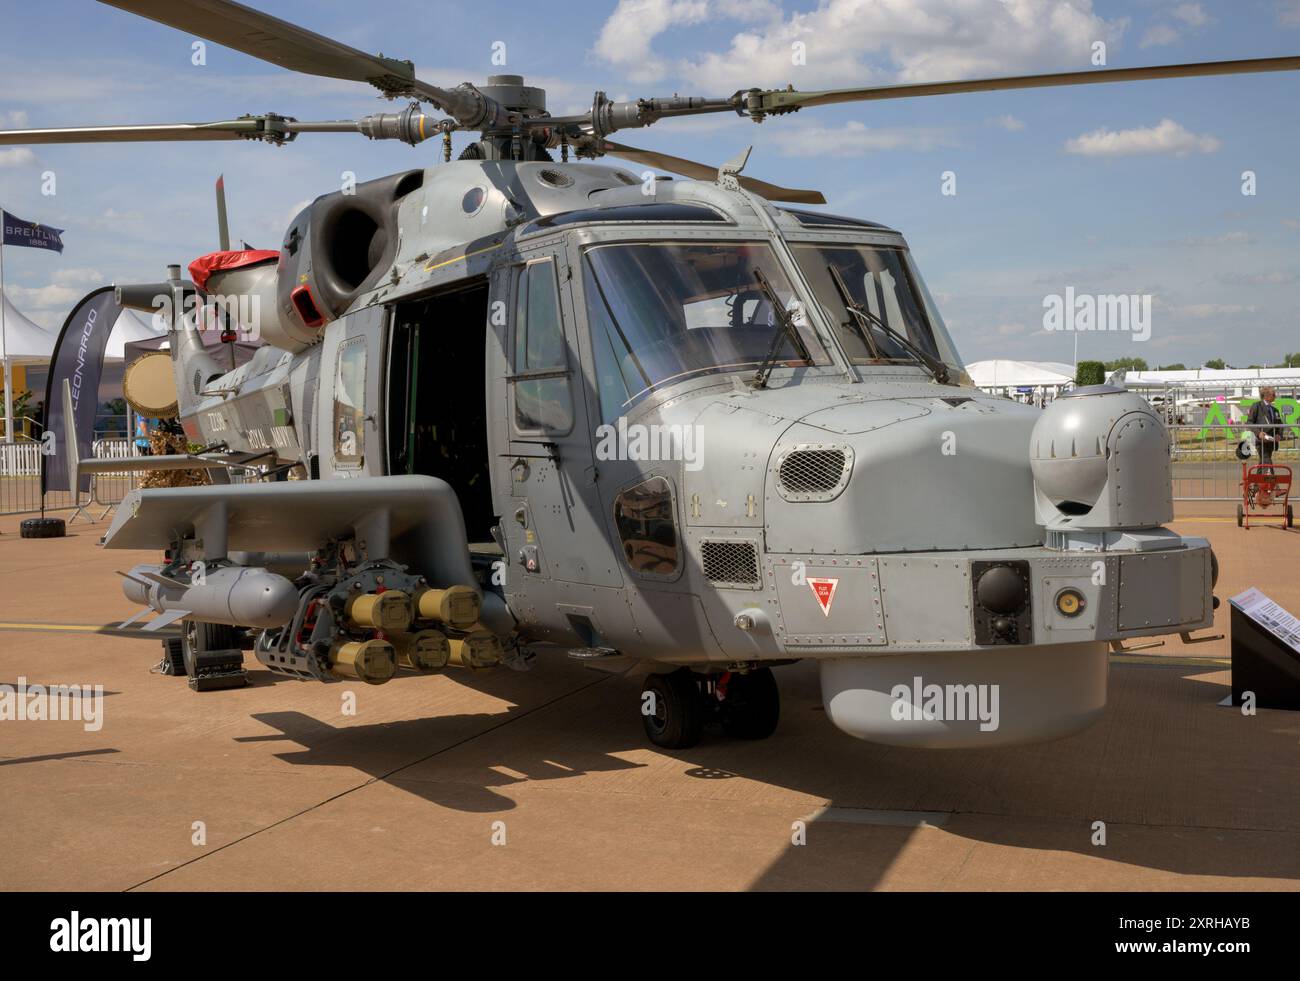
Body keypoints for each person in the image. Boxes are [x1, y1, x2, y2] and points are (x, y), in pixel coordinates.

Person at [1247, 387, 1284, 467]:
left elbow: (1280, 425)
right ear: (1266, 396)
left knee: (1263, 461)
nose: (1275, 396)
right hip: (1260, 441)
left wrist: (1279, 435)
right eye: (1273, 394)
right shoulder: (1256, 406)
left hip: (1271, 440)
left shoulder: (1275, 410)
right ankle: (1271, 478)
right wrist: (1259, 433)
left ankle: (1256, 479)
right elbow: (1249, 422)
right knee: (1267, 461)